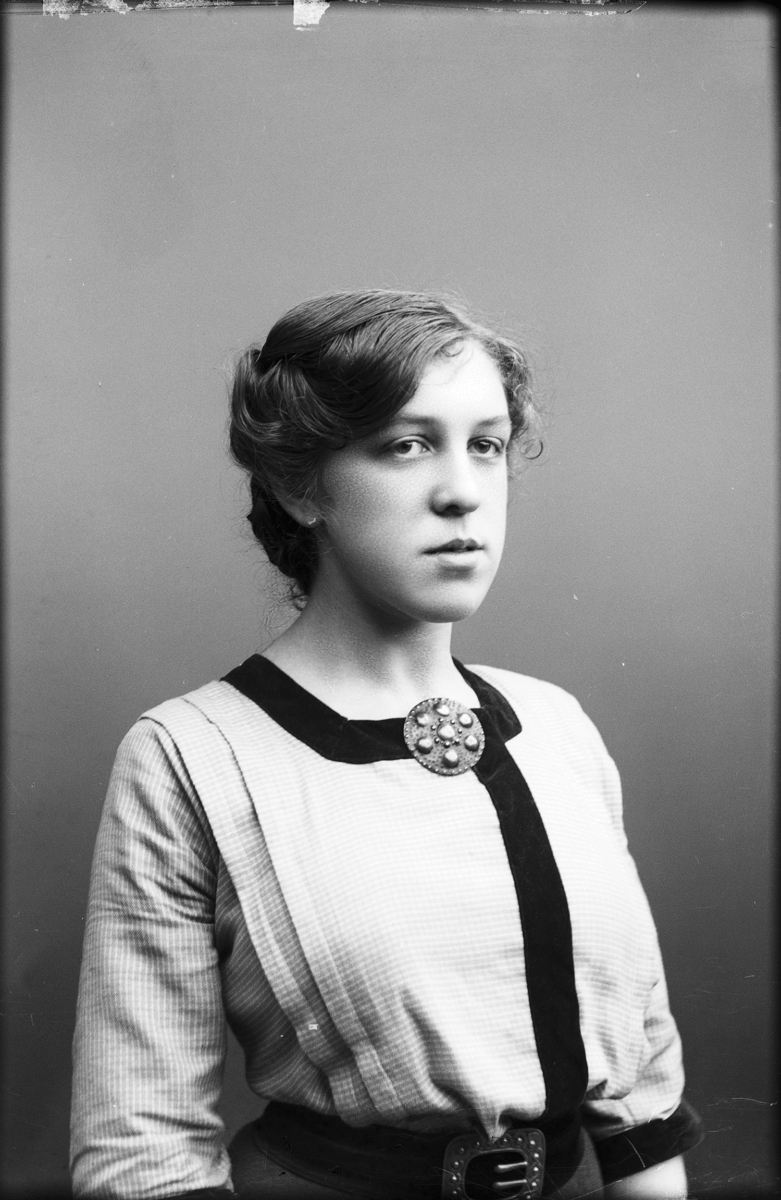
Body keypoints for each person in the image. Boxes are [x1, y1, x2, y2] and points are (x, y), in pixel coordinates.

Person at [70, 290, 703, 1200]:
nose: (461, 490)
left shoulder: (555, 726)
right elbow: (141, 1145)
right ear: (300, 485)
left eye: (485, 445)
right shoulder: (192, 754)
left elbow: (642, 1087)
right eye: (407, 445)